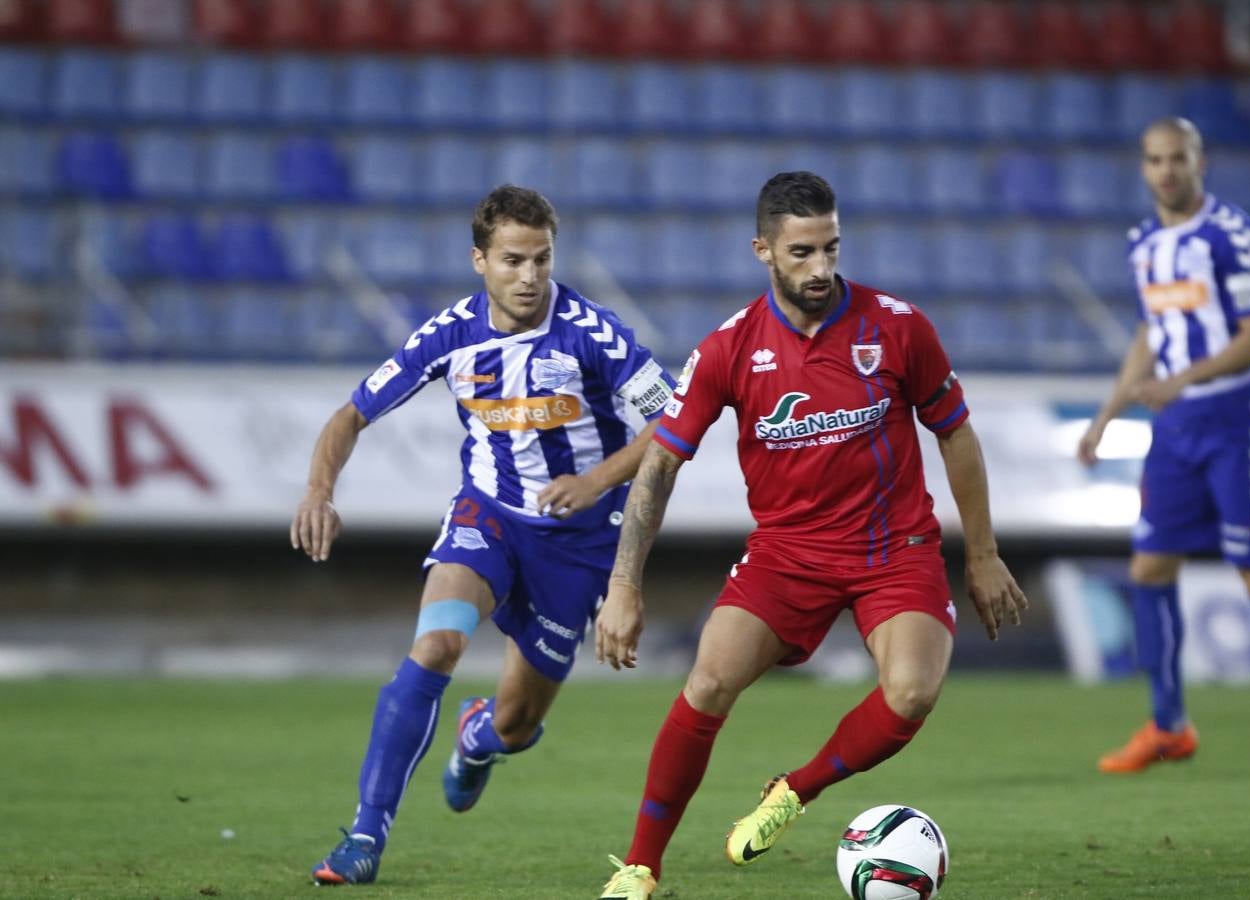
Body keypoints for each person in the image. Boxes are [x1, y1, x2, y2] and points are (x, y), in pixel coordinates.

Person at [593, 171, 1028, 900]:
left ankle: (795, 789)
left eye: (831, 248)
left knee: (913, 692)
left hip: (897, 550)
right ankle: (641, 866)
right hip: (788, 554)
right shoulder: (729, 348)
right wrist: (623, 585)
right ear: (763, 249)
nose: (821, 268)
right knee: (706, 683)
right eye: (801, 252)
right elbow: (661, 461)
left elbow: (955, 435)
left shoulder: (897, 326)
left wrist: (982, 555)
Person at [291, 185, 676, 885]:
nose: (529, 277)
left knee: (517, 725)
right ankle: (365, 835)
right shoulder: (449, 333)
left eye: (541, 260)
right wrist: (320, 491)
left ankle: (478, 738)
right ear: (480, 261)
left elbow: (674, 418)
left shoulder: (593, 333)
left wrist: (595, 482)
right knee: (435, 643)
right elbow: (349, 416)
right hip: (488, 518)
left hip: (578, 545)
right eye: (512, 261)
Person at [1078, 118, 1250, 779]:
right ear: (1143, 167)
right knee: (1149, 570)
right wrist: (1107, 414)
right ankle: (1169, 726)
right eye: (1155, 160)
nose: (1166, 170)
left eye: (1178, 158)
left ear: (1200, 161)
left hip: (1235, 421)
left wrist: (1179, 381)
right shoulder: (1143, 244)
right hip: (1173, 431)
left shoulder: (1235, 235)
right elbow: (1150, 330)